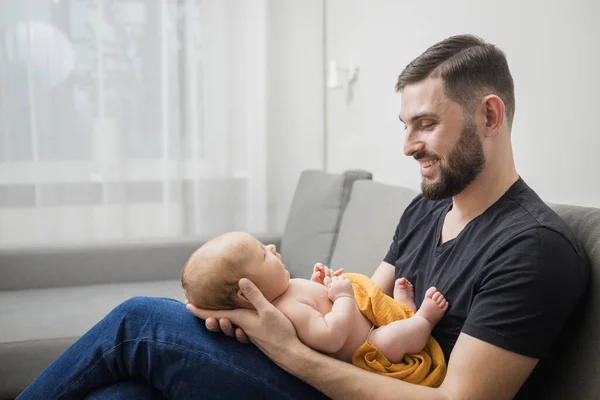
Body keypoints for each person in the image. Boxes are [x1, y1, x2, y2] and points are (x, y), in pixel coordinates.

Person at [18, 34, 590, 400]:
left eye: (425, 124)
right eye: (405, 126)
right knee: (124, 395)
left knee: (138, 320)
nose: (409, 146)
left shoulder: (532, 248)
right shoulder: (424, 208)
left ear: (489, 114)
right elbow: (364, 301)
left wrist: (282, 347)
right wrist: (268, 318)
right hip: (330, 373)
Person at [181, 231, 448, 382]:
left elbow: (315, 307)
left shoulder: (284, 290)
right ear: (246, 292)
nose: (272, 247)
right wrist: (343, 297)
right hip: (370, 347)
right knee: (386, 339)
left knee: (385, 319)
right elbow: (330, 336)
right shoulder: (287, 311)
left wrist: (320, 285)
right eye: (263, 253)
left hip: (370, 321)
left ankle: (402, 312)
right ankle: (423, 319)